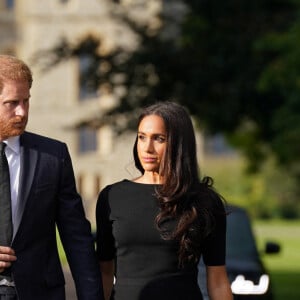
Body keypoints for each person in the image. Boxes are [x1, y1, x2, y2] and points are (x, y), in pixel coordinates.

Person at [95, 101, 233, 300]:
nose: (147, 148)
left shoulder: (204, 201)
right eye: (142, 137)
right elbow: (104, 272)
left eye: (159, 139)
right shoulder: (112, 197)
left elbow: (218, 280)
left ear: (179, 143)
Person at [0, 54, 104, 300]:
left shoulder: (53, 156)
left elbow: (76, 235)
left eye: (26, 101)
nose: (22, 111)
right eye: (12, 103)